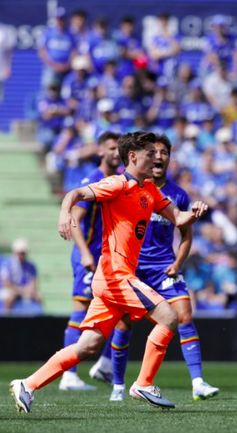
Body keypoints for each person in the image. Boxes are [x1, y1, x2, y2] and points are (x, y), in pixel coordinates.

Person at [10, 131, 209, 413]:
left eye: (158, 153)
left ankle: (27, 384)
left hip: (111, 280)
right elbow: (76, 193)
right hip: (116, 276)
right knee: (168, 317)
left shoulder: (150, 190)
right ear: (133, 157)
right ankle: (143, 383)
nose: (156, 158)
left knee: (88, 346)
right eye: (150, 153)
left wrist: (195, 211)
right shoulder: (118, 184)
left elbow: (179, 218)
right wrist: (64, 213)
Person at [108, 134, 219, 402]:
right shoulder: (129, 187)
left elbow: (186, 235)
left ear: (169, 157)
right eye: (154, 152)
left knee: (185, 315)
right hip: (132, 269)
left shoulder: (178, 194)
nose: (159, 157)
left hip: (163, 269)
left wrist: (177, 263)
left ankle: (198, 383)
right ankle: (118, 387)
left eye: (164, 152)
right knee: (123, 323)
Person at [58, 131, 121, 391]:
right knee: (81, 308)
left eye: (119, 148)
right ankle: (69, 374)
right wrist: (84, 253)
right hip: (88, 257)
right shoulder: (93, 180)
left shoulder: (117, 181)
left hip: (106, 258)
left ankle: (104, 365)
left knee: (120, 310)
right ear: (100, 151)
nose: (116, 152)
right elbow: (75, 219)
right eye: (111, 148)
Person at [0, 239, 41, 313]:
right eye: (19, 253)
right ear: (14, 252)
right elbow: (7, 284)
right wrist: (20, 291)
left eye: (23, 253)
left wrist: (26, 291)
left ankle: (38, 318)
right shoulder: (7, 264)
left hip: (24, 290)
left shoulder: (31, 265)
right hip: (10, 290)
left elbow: (33, 283)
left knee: (39, 297)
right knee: (9, 298)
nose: (21, 255)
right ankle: (6, 318)